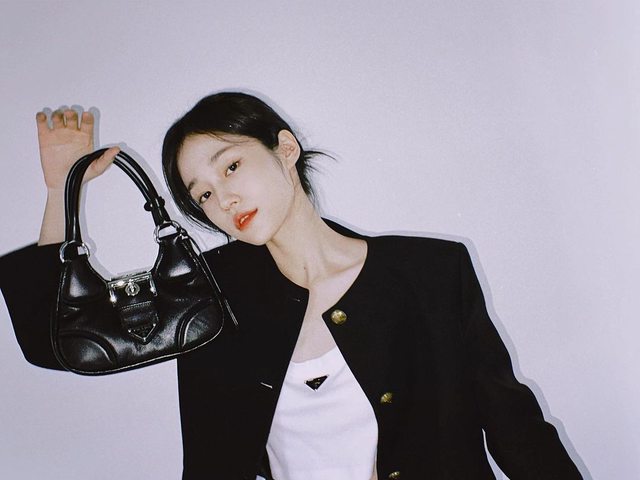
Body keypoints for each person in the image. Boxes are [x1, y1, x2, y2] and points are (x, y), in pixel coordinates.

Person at [0, 92, 582, 479]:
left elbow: (515, 427)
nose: (224, 198)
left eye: (231, 165)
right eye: (203, 194)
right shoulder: (209, 296)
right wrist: (61, 191)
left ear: (285, 149)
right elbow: (57, 344)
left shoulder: (429, 273)